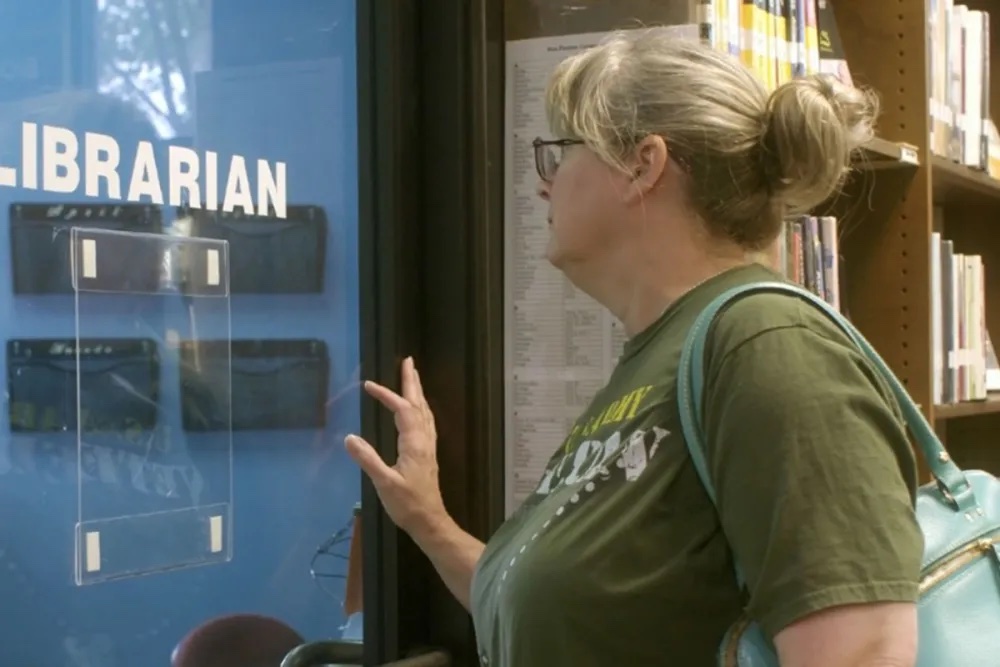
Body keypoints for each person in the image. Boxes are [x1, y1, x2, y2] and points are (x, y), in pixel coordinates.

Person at [345, 29, 923, 667]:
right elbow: (559, 614)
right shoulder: (659, 359)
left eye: (559, 152)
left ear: (642, 165)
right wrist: (428, 519)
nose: (543, 184)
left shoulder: (768, 347)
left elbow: (863, 653)